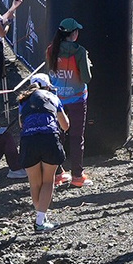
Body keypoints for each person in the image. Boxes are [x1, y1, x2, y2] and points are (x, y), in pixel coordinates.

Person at [13, 73, 70, 233]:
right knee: (47, 181)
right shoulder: (53, 98)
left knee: (34, 183)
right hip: (49, 138)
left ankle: (41, 217)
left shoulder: (23, 100)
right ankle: (39, 221)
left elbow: (21, 124)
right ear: (47, 86)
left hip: (28, 140)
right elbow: (65, 125)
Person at [45, 18, 92, 188]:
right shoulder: (80, 52)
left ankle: (58, 173)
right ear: (73, 34)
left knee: (58, 136)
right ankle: (77, 176)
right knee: (76, 137)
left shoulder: (51, 50)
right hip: (77, 99)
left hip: (57, 100)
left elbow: (49, 74)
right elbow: (87, 78)